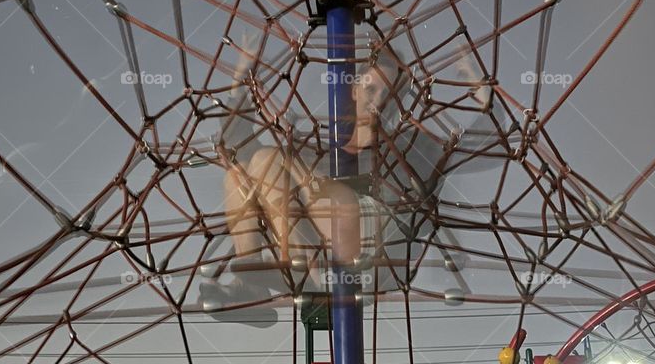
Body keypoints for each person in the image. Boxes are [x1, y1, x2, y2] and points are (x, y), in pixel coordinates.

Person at [197, 35, 500, 323]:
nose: (378, 101)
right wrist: (241, 77)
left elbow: (488, 145)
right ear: (354, 89)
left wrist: (478, 83)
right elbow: (236, 148)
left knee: (272, 158)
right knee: (238, 173)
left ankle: (299, 266)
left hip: (376, 246)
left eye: (388, 94)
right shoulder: (321, 154)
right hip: (327, 246)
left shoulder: (411, 147)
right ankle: (254, 286)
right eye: (371, 90)